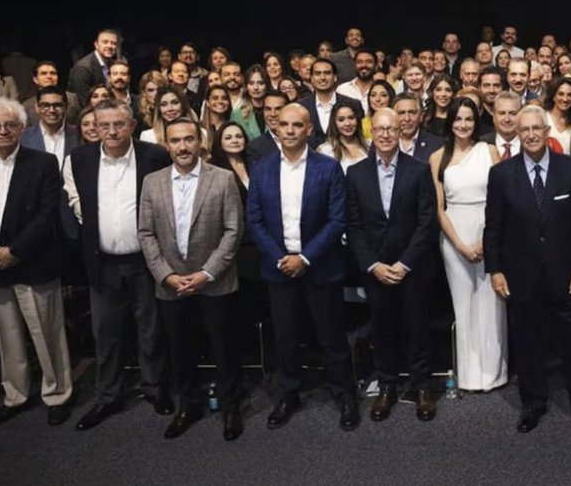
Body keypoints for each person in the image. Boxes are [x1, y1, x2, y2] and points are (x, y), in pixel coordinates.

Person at [483, 106, 571, 438]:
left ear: (546, 132)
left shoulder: (570, 170)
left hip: (567, 277)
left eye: (535, 129)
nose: (529, 134)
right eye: (523, 129)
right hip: (521, 278)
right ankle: (533, 405)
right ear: (517, 132)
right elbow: (493, 228)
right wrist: (495, 270)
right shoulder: (501, 174)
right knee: (528, 347)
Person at [0, 98, 73, 425]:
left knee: (48, 334)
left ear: (22, 128)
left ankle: (57, 393)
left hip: (34, 262)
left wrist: (15, 251)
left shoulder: (44, 162)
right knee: (8, 337)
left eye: (10, 125)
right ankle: (16, 394)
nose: (3, 130)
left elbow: (48, 214)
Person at [246, 104, 359, 430]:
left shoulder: (329, 168)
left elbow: (338, 219)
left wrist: (305, 258)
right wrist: (282, 258)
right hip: (279, 268)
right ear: (276, 129)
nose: (291, 130)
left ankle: (344, 394)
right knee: (285, 338)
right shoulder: (263, 169)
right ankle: (288, 394)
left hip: (320, 267)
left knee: (332, 338)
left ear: (310, 129)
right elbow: (254, 219)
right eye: (284, 125)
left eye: (298, 125)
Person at [62, 99, 173, 429]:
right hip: (103, 263)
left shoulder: (154, 156)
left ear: (132, 125)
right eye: (103, 124)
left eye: (119, 124)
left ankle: (155, 388)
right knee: (106, 335)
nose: (111, 131)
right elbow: (75, 204)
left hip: (146, 261)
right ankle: (107, 396)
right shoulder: (79, 160)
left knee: (150, 331)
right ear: (94, 125)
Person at [137, 118, 244, 440]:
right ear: (166, 145)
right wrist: (165, 275)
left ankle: (230, 407)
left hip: (215, 281)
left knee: (223, 348)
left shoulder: (223, 178)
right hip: (170, 284)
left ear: (200, 142)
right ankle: (189, 405)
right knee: (180, 349)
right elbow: (145, 232)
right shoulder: (152, 182)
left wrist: (207, 273)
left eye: (188, 140)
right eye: (175, 141)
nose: (182, 146)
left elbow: (233, 230)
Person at [345, 108, 438, 421]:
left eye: (392, 129)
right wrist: (372, 265)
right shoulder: (355, 174)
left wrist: (405, 263)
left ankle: (423, 386)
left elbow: (427, 222)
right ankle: (387, 386)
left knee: (417, 328)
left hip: (412, 268)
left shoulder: (419, 169)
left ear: (402, 132)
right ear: (372, 131)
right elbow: (353, 226)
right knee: (383, 330)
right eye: (380, 129)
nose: (385, 135)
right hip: (376, 270)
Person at [431, 100, 506, 391]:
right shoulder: (437, 157)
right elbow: (439, 209)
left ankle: (494, 374)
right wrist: (461, 245)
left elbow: (500, 202)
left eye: (469, 119)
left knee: (491, 305)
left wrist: (486, 241)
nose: (463, 125)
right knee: (463, 306)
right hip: (454, 237)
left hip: (489, 231)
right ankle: (468, 374)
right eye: (458, 119)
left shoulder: (489, 152)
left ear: (476, 122)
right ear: (449, 121)